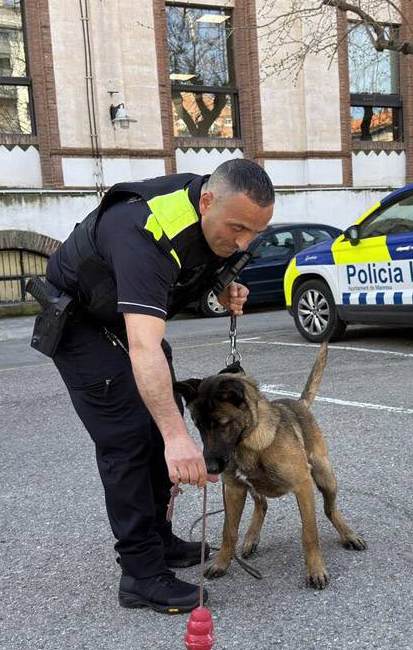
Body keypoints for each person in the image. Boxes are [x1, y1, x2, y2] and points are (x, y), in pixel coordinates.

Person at [45, 159, 274, 613]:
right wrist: (177, 438)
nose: (244, 242)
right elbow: (145, 347)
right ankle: (141, 574)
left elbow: (189, 278)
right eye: (238, 229)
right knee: (130, 440)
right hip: (82, 326)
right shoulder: (144, 232)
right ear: (207, 202)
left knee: (155, 426)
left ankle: (161, 540)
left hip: (126, 323)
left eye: (254, 233)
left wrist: (222, 289)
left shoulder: (213, 222)